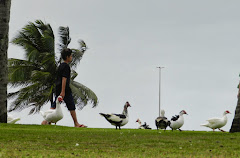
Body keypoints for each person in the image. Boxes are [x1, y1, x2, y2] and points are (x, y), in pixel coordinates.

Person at [41, 48, 87, 127]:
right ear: (67, 57)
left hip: (58, 88)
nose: (72, 57)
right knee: (71, 106)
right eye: (71, 56)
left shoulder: (61, 66)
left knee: (55, 105)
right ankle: (76, 123)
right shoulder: (66, 67)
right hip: (64, 89)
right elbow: (64, 79)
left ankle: (45, 121)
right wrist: (63, 91)